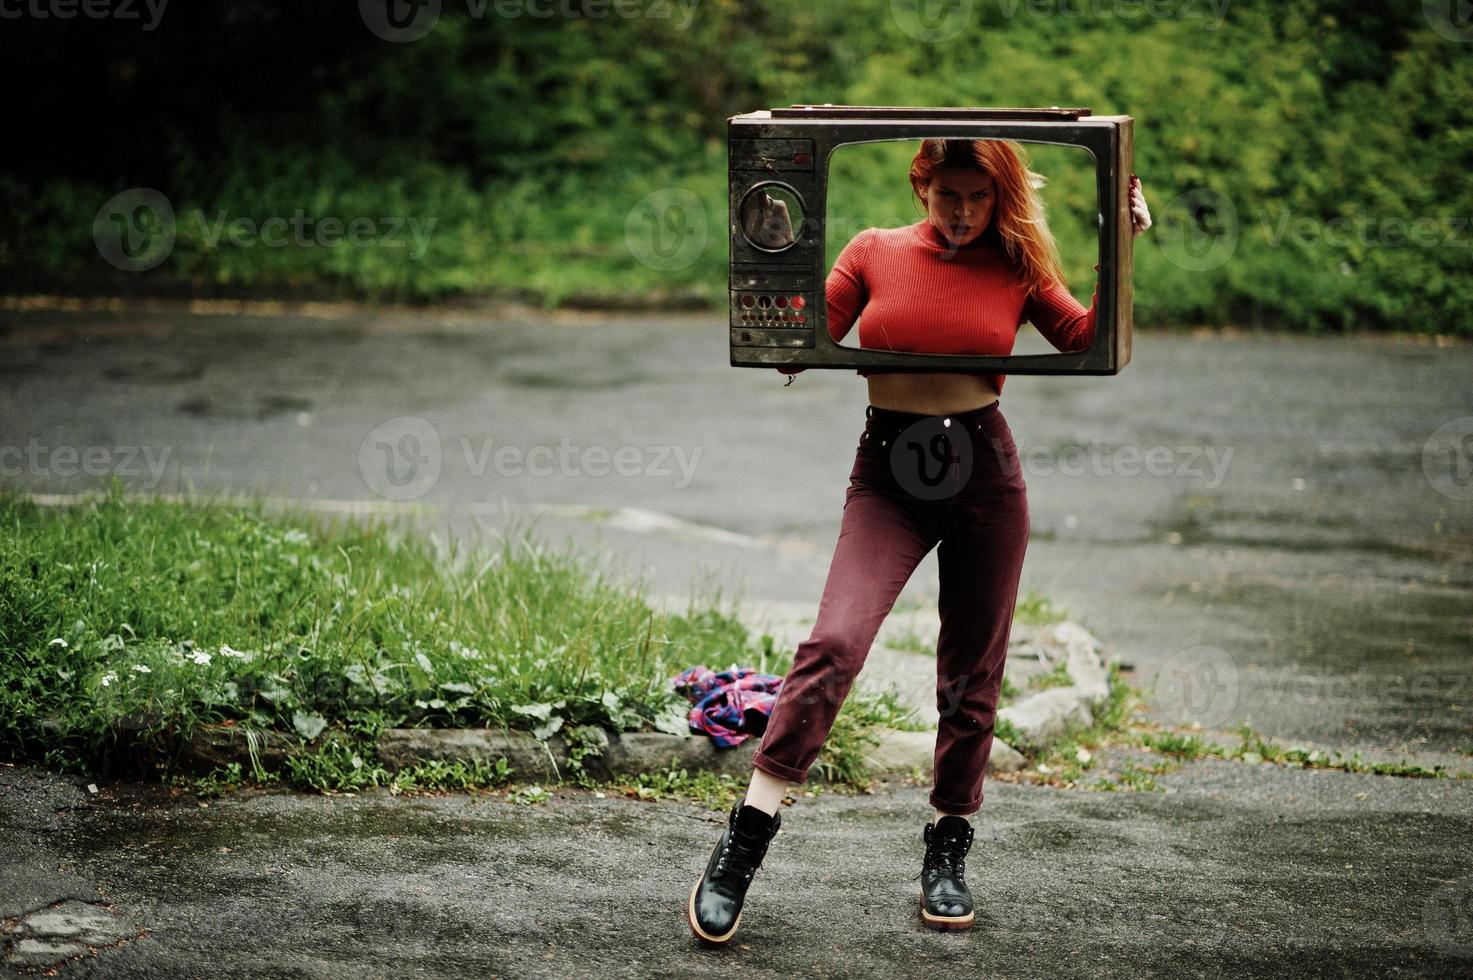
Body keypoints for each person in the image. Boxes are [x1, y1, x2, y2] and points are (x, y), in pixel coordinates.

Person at [688, 138, 1152, 942]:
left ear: (996, 196)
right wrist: (769, 251)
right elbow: (790, 347)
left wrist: (1124, 246)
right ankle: (741, 845)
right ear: (921, 186)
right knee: (834, 642)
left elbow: (1083, 337)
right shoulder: (873, 250)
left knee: (971, 674)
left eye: (978, 197)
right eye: (949, 196)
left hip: (984, 474)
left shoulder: (1014, 262)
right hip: (888, 476)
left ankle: (946, 849)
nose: (964, 212)